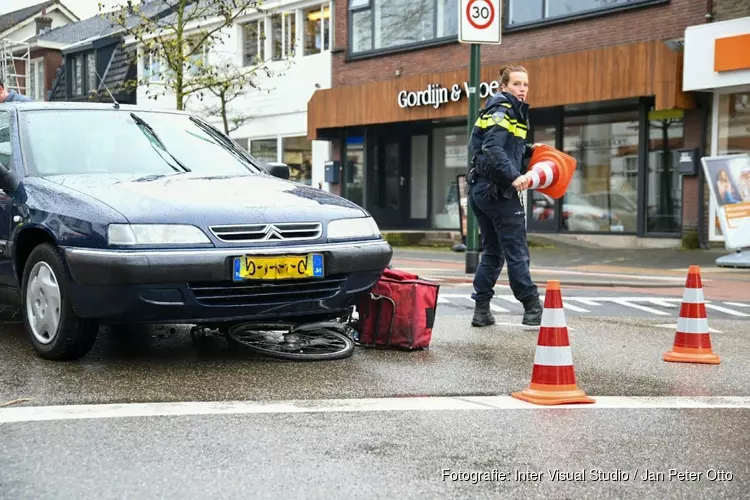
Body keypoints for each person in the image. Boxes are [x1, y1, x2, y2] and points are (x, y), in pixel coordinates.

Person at [466, 64, 543, 328]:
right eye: (517, 84)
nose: (522, 89)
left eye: (526, 85)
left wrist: (530, 150)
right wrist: (514, 176)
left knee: (493, 252)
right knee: (516, 250)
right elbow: (492, 147)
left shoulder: (500, 110)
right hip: (498, 191)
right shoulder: (503, 110)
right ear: (504, 87)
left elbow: (506, 147)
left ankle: (481, 310)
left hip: (481, 190)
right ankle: (532, 305)